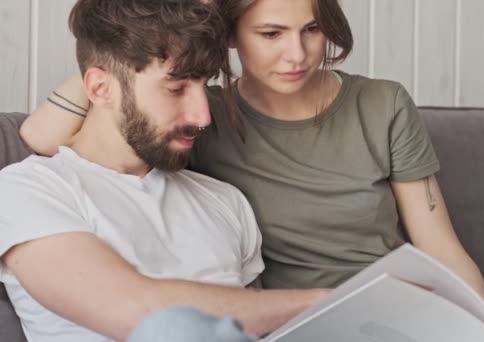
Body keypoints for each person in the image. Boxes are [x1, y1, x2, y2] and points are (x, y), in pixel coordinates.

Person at [21, 0, 484, 312]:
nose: (297, 54)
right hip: (320, 318)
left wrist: (481, 314)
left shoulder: (381, 104)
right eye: (271, 34)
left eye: (312, 29)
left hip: (398, 306)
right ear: (232, 37)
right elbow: (43, 136)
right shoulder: (198, 119)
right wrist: (125, 41)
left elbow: (440, 245)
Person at [0, 1, 327, 341]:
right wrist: (322, 301)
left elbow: (263, 326)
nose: (202, 117)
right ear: (100, 88)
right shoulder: (28, 190)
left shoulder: (224, 200)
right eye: (176, 89)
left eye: (203, 85)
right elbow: (137, 313)